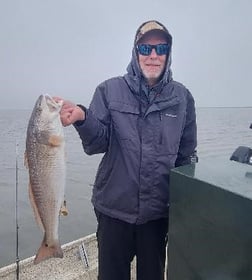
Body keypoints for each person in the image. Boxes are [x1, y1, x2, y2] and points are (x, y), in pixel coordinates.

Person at [56, 20, 197, 280]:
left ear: (168, 53)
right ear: (136, 52)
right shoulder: (109, 90)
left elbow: (186, 159)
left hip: (157, 216)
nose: (153, 56)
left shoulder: (182, 98)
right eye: (146, 49)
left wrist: (185, 207)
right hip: (113, 210)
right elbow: (97, 142)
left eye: (160, 48)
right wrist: (81, 118)